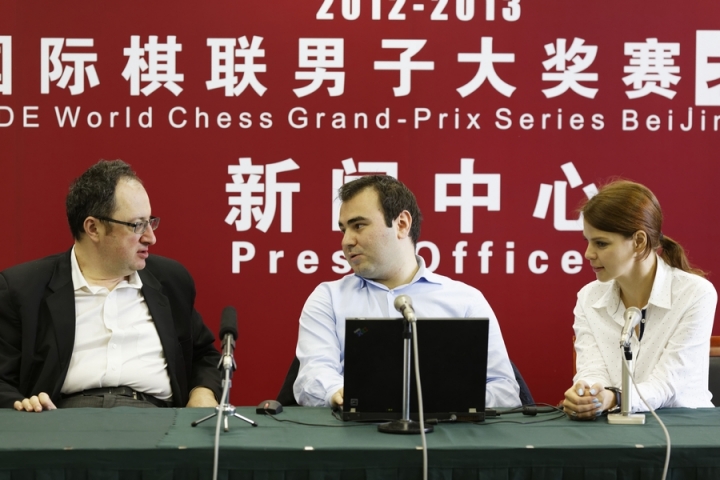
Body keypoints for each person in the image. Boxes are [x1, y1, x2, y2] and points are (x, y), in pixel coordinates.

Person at [0, 160, 222, 412]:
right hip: (65, 420)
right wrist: (23, 405)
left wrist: (203, 393)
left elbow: (204, 355)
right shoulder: (23, 289)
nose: (151, 237)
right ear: (93, 228)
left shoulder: (171, 281)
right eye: (137, 225)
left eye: (151, 222)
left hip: (157, 419)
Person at [293, 175, 521, 408]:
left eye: (358, 225)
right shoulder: (329, 298)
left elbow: (505, 391)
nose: (346, 241)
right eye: (343, 229)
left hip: (446, 430)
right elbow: (312, 377)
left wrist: (444, 401)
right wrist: (342, 394)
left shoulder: (466, 301)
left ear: (401, 224)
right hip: (352, 426)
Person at [563, 180, 717, 420]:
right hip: (613, 426)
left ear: (639, 242)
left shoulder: (696, 293)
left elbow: (667, 384)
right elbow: (592, 369)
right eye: (588, 242)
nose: (588, 254)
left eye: (601, 243)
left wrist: (615, 398)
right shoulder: (588, 297)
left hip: (685, 429)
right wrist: (588, 395)